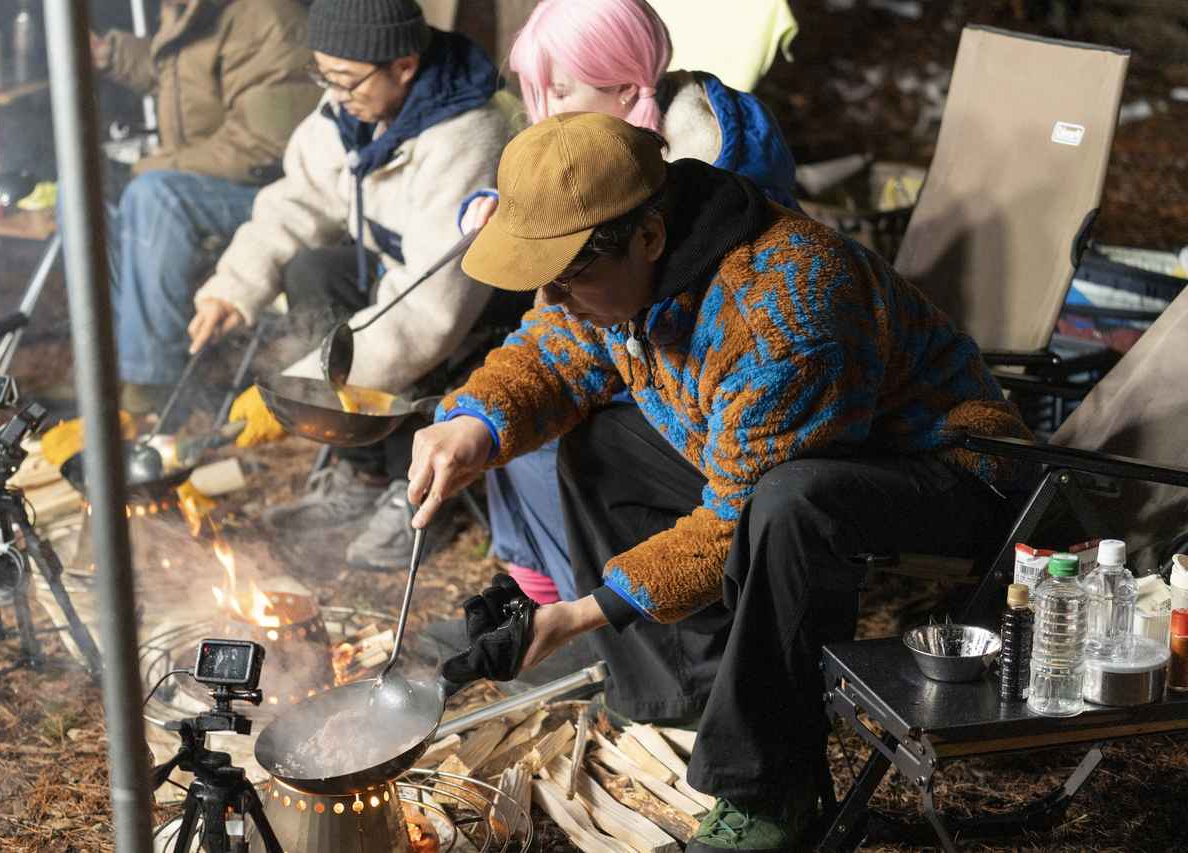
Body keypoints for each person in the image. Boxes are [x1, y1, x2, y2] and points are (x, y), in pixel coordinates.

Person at [407, 113, 1032, 851]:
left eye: (569, 280)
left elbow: (735, 519)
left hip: (955, 476)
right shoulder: (613, 270)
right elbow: (558, 346)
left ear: (647, 237)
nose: (556, 297)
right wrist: (475, 423)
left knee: (791, 503)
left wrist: (581, 613)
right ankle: (687, 694)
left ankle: (771, 789)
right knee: (603, 441)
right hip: (771, 456)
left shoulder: (787, 308)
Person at [458, 0, 800, 606]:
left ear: (623, 88)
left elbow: (678, 349)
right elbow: (571, 332)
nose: (543, 112)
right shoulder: (607, 152)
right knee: (503, 417)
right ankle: (541, 595)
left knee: (558, 444)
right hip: (653, 364)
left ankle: (574, 611)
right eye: (536, 93)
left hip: (711, 395)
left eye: (559, 92)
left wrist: (593, 613)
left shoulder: (713, 210)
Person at [191, 0, 516, 570]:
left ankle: (411, 487)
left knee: (412, 344)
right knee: (313, 270)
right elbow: (296, 201)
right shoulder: (351, 108)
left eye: (344, 79)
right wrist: (233, 287)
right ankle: (363, 471)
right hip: (400, 278)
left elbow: (429, 310)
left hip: (476, 300)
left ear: (405, 66)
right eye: (323, 74)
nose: (333, 93)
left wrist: (304, 385)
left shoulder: (468, 135)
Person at [89, 0, 318, 413]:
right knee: (83, 193)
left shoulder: (268, 18)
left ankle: (153, 384)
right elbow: (181, 76)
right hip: (203, 174)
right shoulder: (187, 10)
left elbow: (261, 147)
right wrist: (112, 54)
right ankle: (114, 362)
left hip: (270, 192)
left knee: (155, 195)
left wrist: (146, 168)